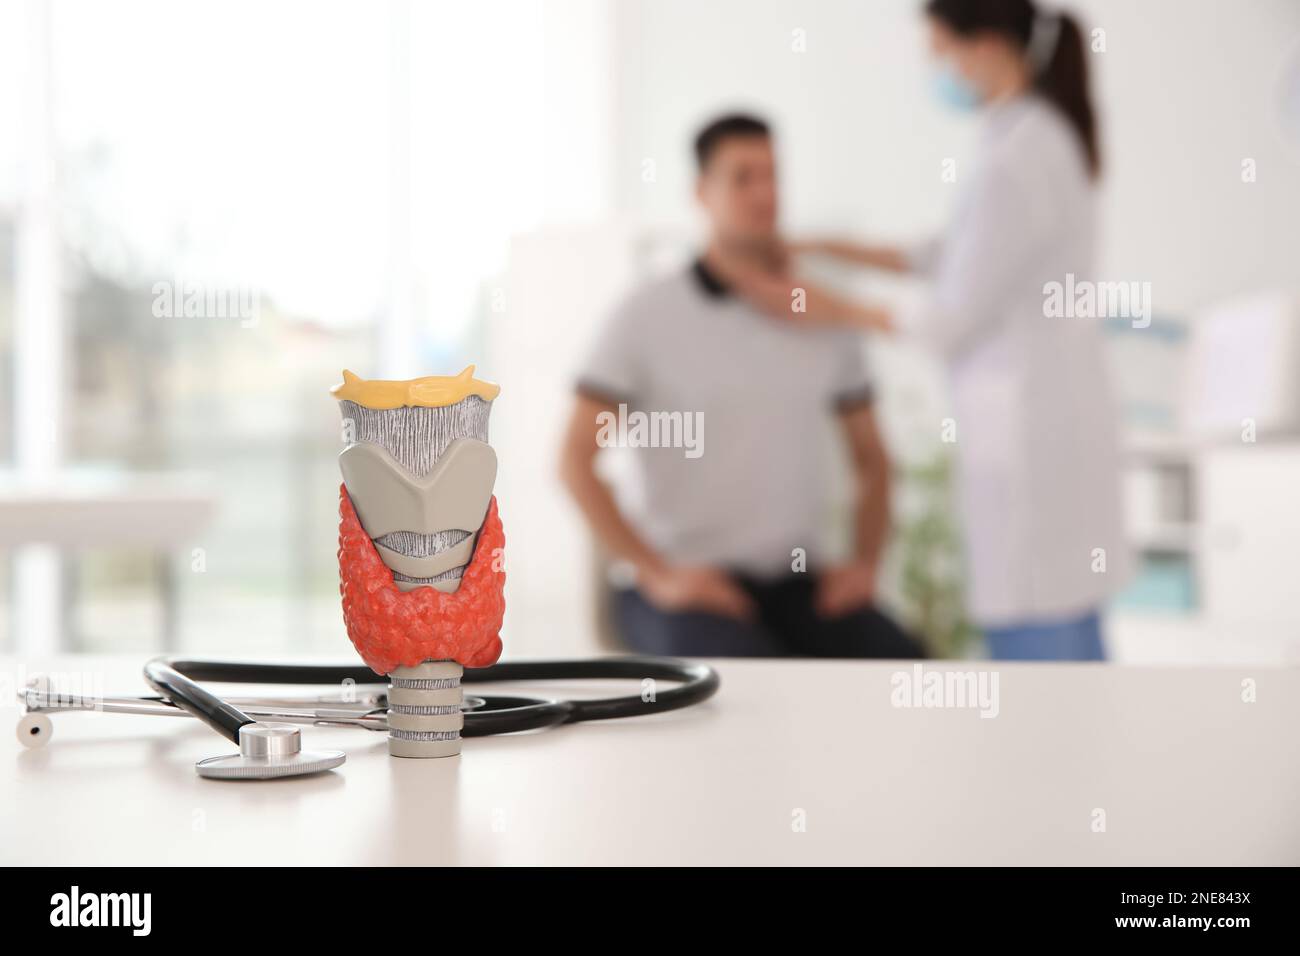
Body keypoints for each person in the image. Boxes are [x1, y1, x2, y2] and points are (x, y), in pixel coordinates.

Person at [715, 1, 1128, 661]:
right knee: (1066, 642)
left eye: (938, 50)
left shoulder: (1015, 161)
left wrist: (822, 304)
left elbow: (945, 322)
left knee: (1045, 662)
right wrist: (824, 245)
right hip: (1051, 432)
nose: (934, 68)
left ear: (986, 44)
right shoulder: (1028, 137)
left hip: (1030, 440)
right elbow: (941, 254)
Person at [558, 114, 923, 659]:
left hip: (800, 584)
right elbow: (574, 459)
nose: (765, 192)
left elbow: (872, 458)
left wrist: (865, 564)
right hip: (684, 587)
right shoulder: (644, 315)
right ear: (701, 192)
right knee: (745, 691)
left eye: (774, 175)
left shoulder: (820, 315)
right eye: (743, 177)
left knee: (904, 666)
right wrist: (657, 575)